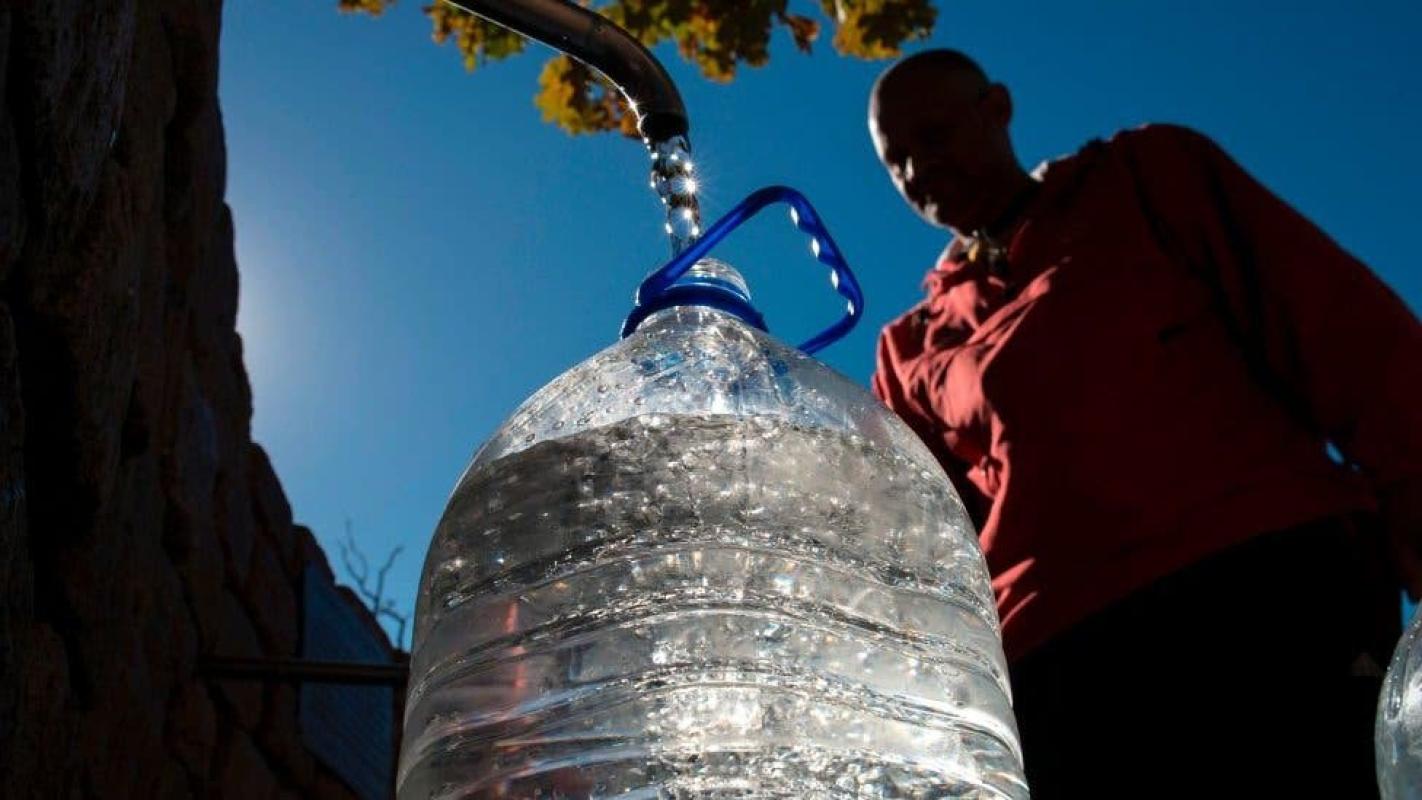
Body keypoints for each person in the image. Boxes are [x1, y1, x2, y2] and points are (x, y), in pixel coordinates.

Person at [867, 49, 1422, 797]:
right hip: (1061, 663)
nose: (918, 170)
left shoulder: (1146, 178)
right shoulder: (908, 348)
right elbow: (923, 552)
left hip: (1265, 584)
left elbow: (1342, 331)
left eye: (934, 136)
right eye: (897, 161)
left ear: (996, 108)